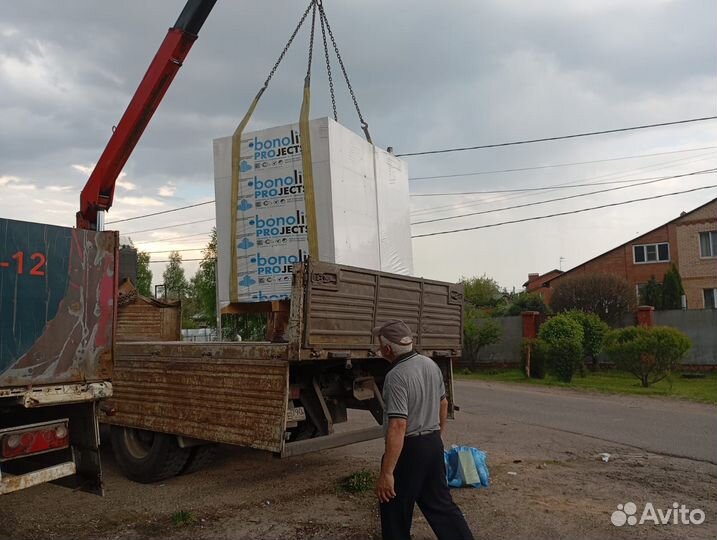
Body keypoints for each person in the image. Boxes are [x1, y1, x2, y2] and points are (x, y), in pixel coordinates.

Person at [373, 319, 475, 540]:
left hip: (409, 449)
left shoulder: (396, 376)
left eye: (380, 344)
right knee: (440, 505)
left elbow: (399, 424)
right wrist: (434, 438)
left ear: (388, 349)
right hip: (432, 443)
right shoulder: (430, 365)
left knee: (394, 509)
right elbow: (444, 404)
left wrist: (388, 472)